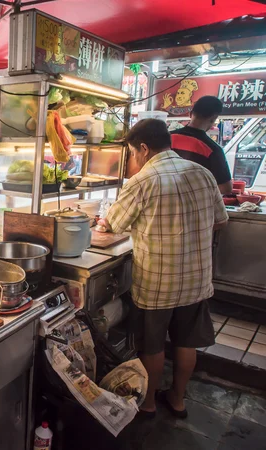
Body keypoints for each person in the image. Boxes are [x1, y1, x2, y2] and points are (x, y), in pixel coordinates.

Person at [99, 119, 228, 419]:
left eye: (132, 153)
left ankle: (148, 404)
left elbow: (113, 224)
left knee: (153, 346)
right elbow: (221, 220)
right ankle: (178, 399)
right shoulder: (202, 174)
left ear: (143, 149)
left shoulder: (143, 181)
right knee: (186, 342)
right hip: (196, 280)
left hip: (158, 283)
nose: (133, 159)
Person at [171, 95, 233, 194]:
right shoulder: (212, 149)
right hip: (193, 203)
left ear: (190, 113)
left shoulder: (167, 138)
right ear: (213, 118)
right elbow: (226, 189)